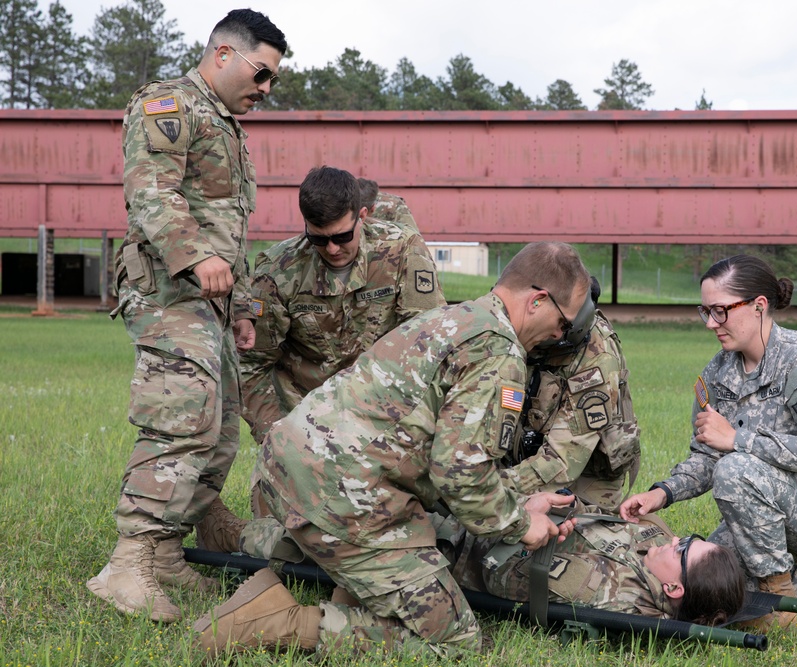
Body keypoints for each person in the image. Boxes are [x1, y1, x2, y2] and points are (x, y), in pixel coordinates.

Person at [193, 242, 594, 658]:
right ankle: (269, 623)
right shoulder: (498, 352)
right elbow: (460, 478)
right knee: (458, 642)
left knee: (412, 565)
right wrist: (519, 525)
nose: (558, 336)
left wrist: (518, 501)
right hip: (344, 499)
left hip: (296, 469)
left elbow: (441, 457)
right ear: (538, 300)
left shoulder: (454, 317)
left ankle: (355, 590)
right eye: (563, 324)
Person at [86, 9, 287, 624]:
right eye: (261, 73)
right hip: (169, 294)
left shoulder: (227, 126)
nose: (266, 89)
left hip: (212, 303)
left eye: (273, 79)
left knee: (222, 426)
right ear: (223, 55)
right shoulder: (169, 105)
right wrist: (195, 256)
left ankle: (169, 551)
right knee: (181, 419)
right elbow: (151, 191)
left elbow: (231, 231)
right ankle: (130, 561)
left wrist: (244, 306)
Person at [619, 254, 797, 630]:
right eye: (705, 311)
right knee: (710, 575)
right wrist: (660, 494)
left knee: (736, 470)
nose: (711, 323)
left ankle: (780, 599)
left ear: (759, 306)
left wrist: (739, 439)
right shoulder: (718, 372)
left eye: (720, 311)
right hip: (768, 501)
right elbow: (708, 455)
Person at [197, 166, 445, 556]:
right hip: (306, 432)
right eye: (319, 239)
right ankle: (226, 531)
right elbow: (252, 367)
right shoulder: (279, 271)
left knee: (409, 532)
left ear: (362, 215)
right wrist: (277, 437)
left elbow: (431, 345)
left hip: (386, 424)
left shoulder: (401, 251)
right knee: (297, 546)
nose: (332, 249)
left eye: (342, 236)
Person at [448, 507, 745, 627]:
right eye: (691, 539)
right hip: (522, 509)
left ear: (673, 588)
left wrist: (526, 515)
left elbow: (499, 577)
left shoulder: (598, 587)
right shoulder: (658, 561)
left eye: (683, 548)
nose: (676, 539)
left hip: (462, 540)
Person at [501, 277, 641, 511]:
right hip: (525, 457)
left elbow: (563, 461)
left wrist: (487, 488)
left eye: (561, 326)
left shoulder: (597, 358)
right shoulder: (519, 324)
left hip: (584, 477)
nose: (555, 333)